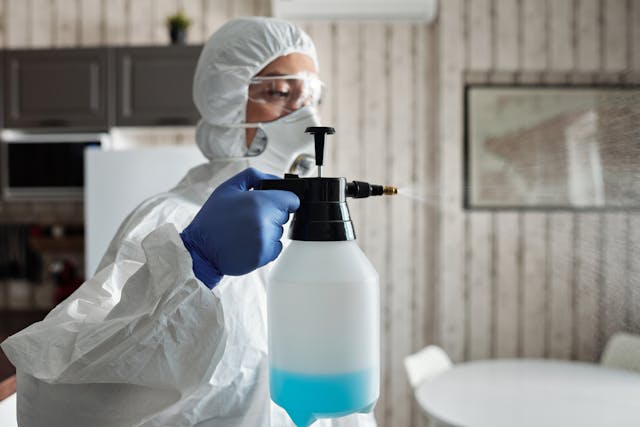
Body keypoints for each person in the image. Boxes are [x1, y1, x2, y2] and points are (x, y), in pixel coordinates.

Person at [1, 17, 377, 427]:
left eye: (310, 96)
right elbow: (71, 397)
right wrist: (197, 264)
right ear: (225, 102)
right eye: (279, 92)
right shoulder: (169, 219)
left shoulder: (300, 228)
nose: (305, 114)